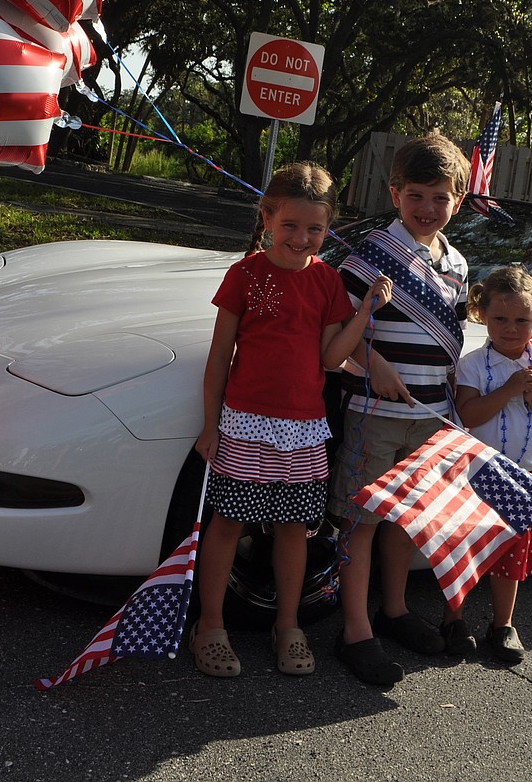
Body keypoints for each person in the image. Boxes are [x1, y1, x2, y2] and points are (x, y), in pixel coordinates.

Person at [191, 161, 392, 679]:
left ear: (328, 229)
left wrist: (364, 312)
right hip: (243, 425)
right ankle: (210, 625)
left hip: (303, 429)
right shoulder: (244, 275)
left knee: (293, 529)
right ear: (266, 219)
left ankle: (288, 624)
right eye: (290, 226)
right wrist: (210, 425)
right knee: (227, 524)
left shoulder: (326, 281)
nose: (302, 239)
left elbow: (331, 357)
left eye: (315, 229)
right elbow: (219, 357)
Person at [329, 132, 473, 688]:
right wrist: (372, 362)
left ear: (458, 200)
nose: (427, 208)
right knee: (361, 522)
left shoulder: (458, 263)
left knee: (405, 521)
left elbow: (451, 343)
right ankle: (356, 630)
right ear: (395, 194)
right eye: (416, 195)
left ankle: (394, 610)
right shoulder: (369, 255)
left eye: (440, 197)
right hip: (374, 414)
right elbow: (335, 337)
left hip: (430, 416)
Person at [455, 265, 532, 664]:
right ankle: (452, 619)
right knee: (469, 549)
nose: (510, 329)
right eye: (500, 319)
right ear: (481, 314)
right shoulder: (473, 364)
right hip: (482, 473)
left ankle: (502, 625)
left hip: (526, 476)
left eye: (521, 320)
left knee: (511, 557)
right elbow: (468, 413)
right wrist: (508, 389)